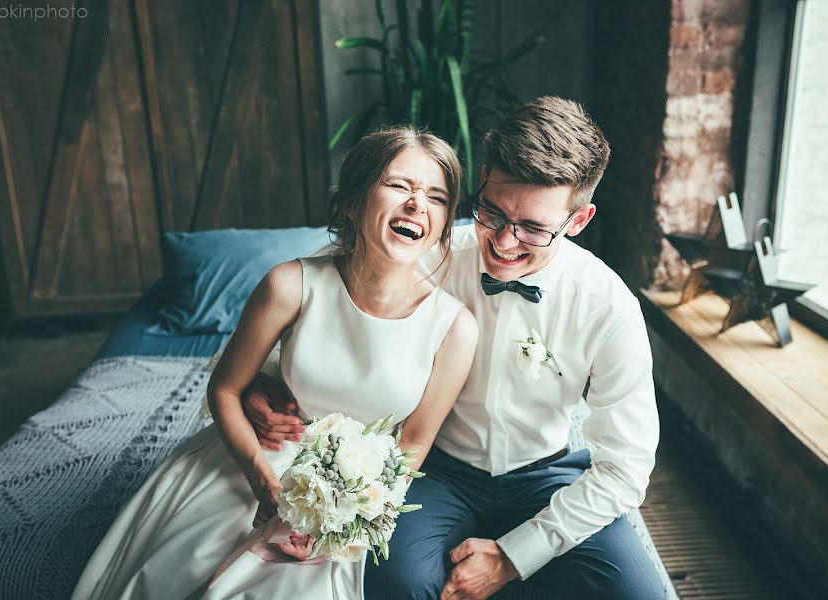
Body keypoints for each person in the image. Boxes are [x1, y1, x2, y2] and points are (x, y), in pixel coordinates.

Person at [246, 97, 666, 599]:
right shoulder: (425, 253)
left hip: (547, 475)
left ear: (578, 220)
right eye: (492, 213)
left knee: (639, 595)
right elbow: (319, 297)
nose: (505, 242)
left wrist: (513, 556)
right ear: (484, 178)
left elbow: (626, 467)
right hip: (432, 470)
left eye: (533, 228)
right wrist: (259, 382)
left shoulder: (608, 307)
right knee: (397, 585)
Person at [71, 127, 478, 600]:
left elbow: (411, 444)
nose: (416, 205)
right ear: (352, 199)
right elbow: (224, 390)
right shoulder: (289, 285)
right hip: (259, 459)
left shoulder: (454, 328)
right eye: (398, 185)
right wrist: (265, 486)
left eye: (436, 196)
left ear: (446, 221)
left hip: (357, 492)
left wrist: (351, 517)